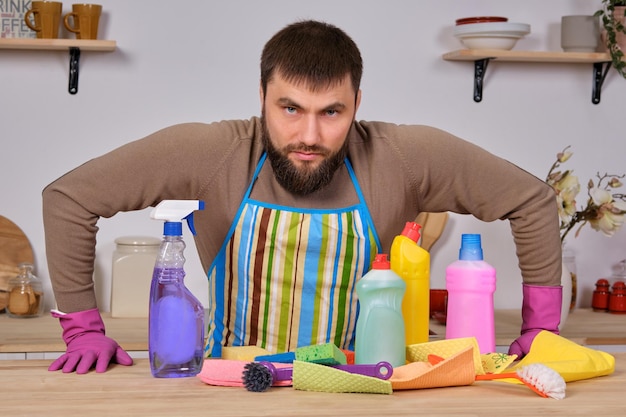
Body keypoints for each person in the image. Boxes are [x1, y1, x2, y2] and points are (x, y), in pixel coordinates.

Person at [42, 19, 562, 374]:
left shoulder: (401, 156)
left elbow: (531, 201)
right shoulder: (213, 153)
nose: (309, 134)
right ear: (262, 97)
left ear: (357, 103)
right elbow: (68, 198)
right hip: (234, 387)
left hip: (362, 388)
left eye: (331, 112)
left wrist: (541, 329)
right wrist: (83, 329)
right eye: (290, 108)